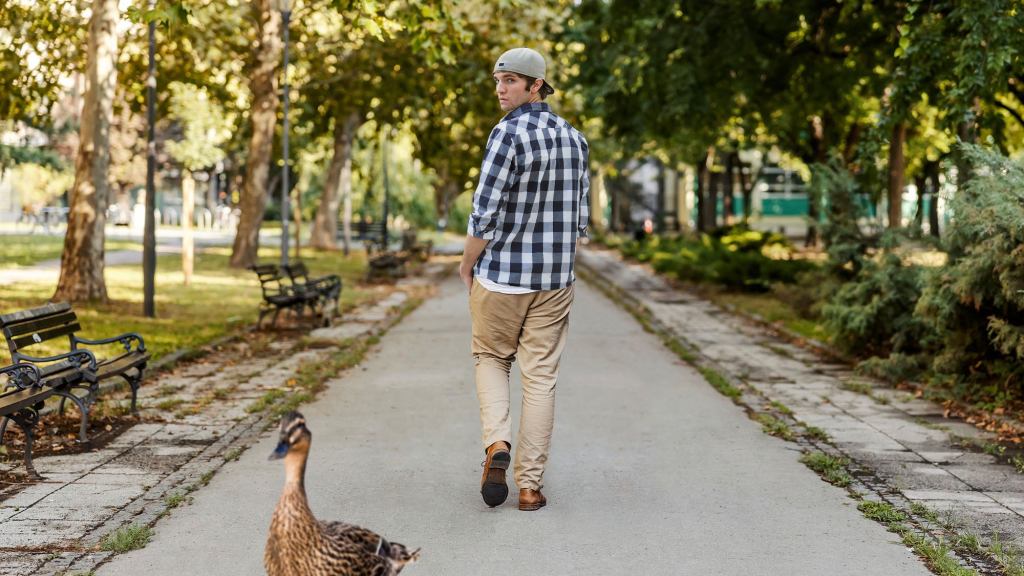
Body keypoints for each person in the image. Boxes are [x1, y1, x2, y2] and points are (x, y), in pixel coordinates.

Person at [458, 47, 590, 511]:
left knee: (491, 359)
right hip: (554, 281)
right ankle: (530, 487)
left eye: (511, 80)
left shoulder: (506, 136)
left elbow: (484, 211)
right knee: (541, 380)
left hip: (501, 279)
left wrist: (466, 262)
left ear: (536, 85)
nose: (500, 89)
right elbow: (580, 219)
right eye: (497, 80)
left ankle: (497, 445)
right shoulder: (575, 140)